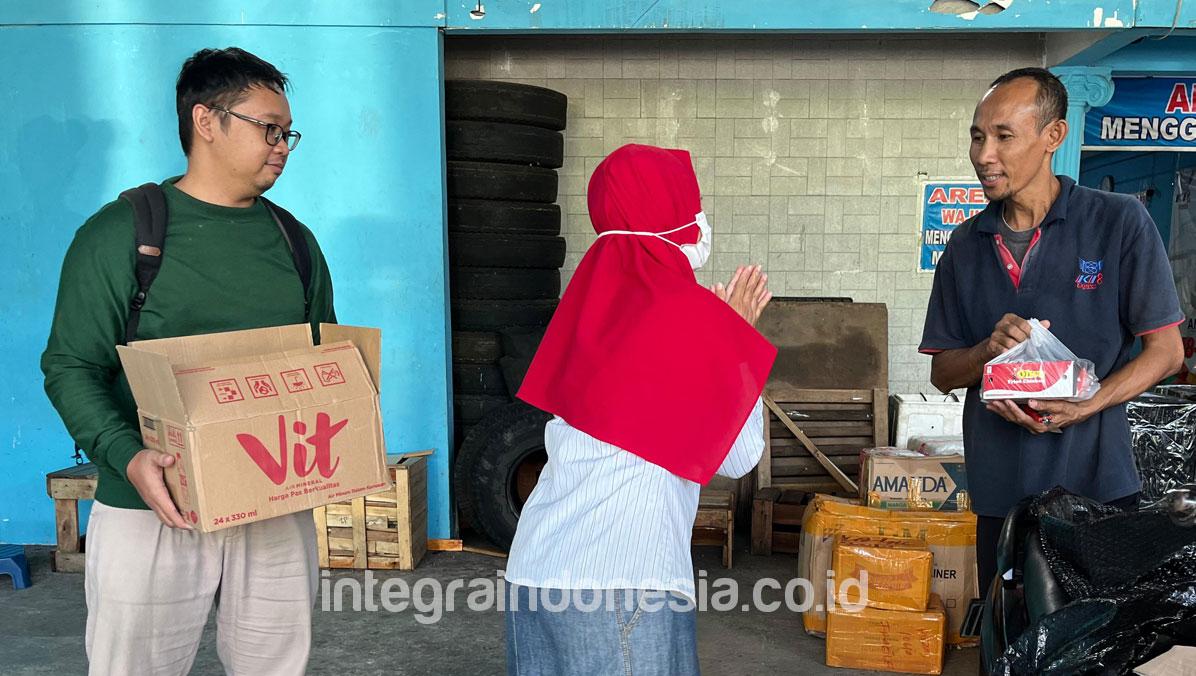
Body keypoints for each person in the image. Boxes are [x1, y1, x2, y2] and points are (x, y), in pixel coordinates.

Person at [41, 47, 336, 676]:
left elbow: (324, 366)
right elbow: (70, 365)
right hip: (152, 504)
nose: (283, 146)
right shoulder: (122, 234)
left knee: (277, 664)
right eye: (269, 129)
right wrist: (129, 457)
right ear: (207, 121)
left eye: (290, 133)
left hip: (275, 504)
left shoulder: (295, 243)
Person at [503, 144, 777, 675]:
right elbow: (740, 458)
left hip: (535, 570)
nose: (701, 220)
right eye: (694, 207)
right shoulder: (688, 317)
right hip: (622, 579)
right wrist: (734, 338)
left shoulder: (585, 311)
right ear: (675, 218)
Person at [919, 67, 1185, 598]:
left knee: (1089, 641)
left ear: (1053, 137)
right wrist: (986, 352)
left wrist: (1089, 403)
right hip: (999, 491)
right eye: (977, 135)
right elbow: (943, 371)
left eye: (1003, 136)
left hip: (1097, 485)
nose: (983, 154)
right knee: (1010, 633)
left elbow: (1167, 352)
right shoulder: (966, 245)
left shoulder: (1117, 223)